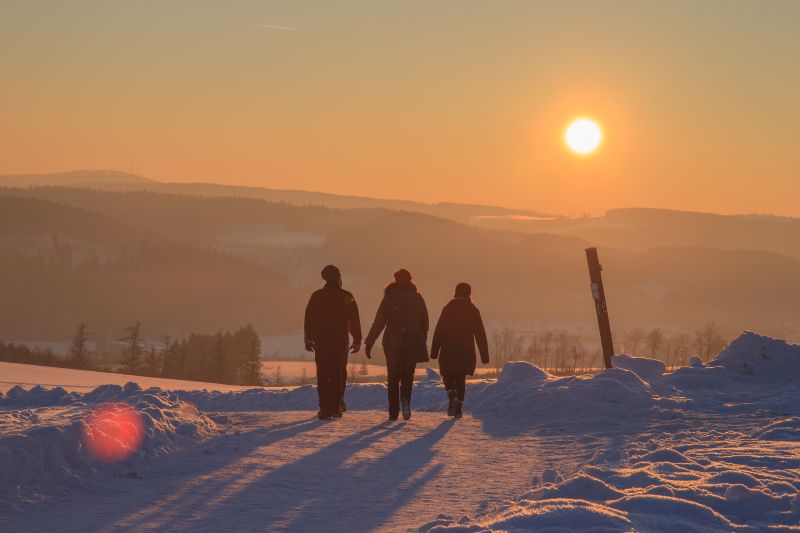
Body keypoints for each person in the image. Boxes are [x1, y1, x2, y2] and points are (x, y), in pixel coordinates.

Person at [365, 269, 429, 421]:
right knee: (407, 376)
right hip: (412, 343)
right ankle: (406, 401)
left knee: (393, 377)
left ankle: (393, 412)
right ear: (410, 281)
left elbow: (379, 322)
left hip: (392, 343)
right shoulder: (418, 298)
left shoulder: (389, 298)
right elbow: (425, 323)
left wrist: (369, 342)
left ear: (395, 281)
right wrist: (421, 339)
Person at [304, 265, 362, 420]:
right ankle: (336, 405)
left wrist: (308, 338)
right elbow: (354, 320)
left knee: (322, 373)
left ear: (324, 278)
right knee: (338, 372)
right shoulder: (346, 296)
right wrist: (357, 339)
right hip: (340, 340)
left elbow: (309, 319)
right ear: (338, 277)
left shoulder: (317, 296)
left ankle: (324, 408)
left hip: (322, 340)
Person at [430, 282, 489, 419]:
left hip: (448, 350)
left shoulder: (448, 308)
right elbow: (480, 334)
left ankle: (452, 397)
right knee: (460, 378)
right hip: (466, 351)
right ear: (469, 294)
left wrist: (434, 351)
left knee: (447, 375)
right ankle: (458, 410)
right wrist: (484, 355)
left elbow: (439, 331)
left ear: (455, 293)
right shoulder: (473, 310)